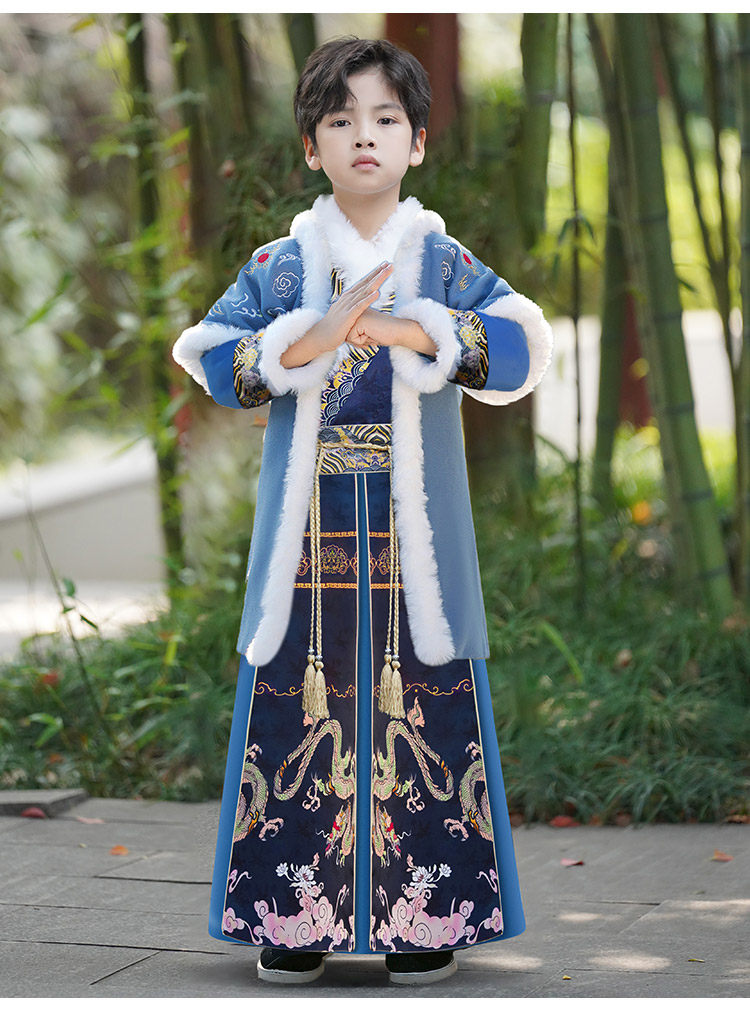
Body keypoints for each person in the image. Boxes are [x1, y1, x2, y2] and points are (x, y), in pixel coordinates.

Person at [172, 36, 553, 986]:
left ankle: (427, 915)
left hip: (414, 526)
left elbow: (520, 345)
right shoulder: (282, 265)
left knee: (425, 693)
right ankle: (292, 916)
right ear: (312, 146)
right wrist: (310, 338)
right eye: (341, 120)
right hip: (308, 525)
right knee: (298, 698)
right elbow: (210, 353)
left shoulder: (441, 260)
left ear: (418, 141)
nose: (365, 137)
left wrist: (402, 326)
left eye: (386, 118)